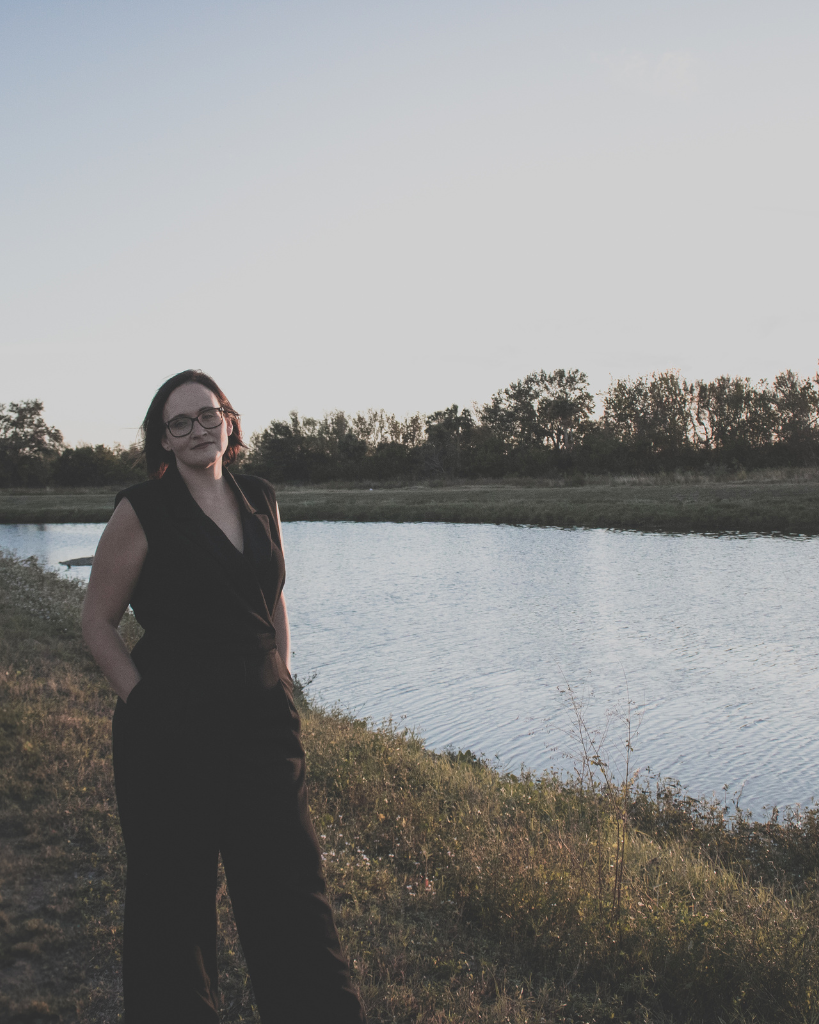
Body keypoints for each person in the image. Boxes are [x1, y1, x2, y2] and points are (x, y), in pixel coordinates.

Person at [81, 370, 366, 1024]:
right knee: (172, 903)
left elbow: (273, 597)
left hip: (263, 719)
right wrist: (143, 703)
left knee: (292, 891)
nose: (196, 429)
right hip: (169, 724)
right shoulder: (141, 508)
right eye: (178, 422)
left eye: (207, 415)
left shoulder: (260, 496)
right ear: (162, 438)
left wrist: (282, 675)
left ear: (229, 420)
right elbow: (97, 621)